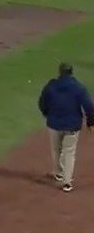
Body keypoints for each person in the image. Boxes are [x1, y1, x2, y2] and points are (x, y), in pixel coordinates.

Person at [38, 63, 94, 192]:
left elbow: (42, 102)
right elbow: (89, 107)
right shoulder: (78, 87)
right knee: (69, 152)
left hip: (54, 124)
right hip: (72, 125)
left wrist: (47, 113)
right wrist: (91, 122)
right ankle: (67, 182)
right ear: (71, 72)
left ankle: (58, 173)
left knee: (56, 149)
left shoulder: (51, 85)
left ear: (60, 72)